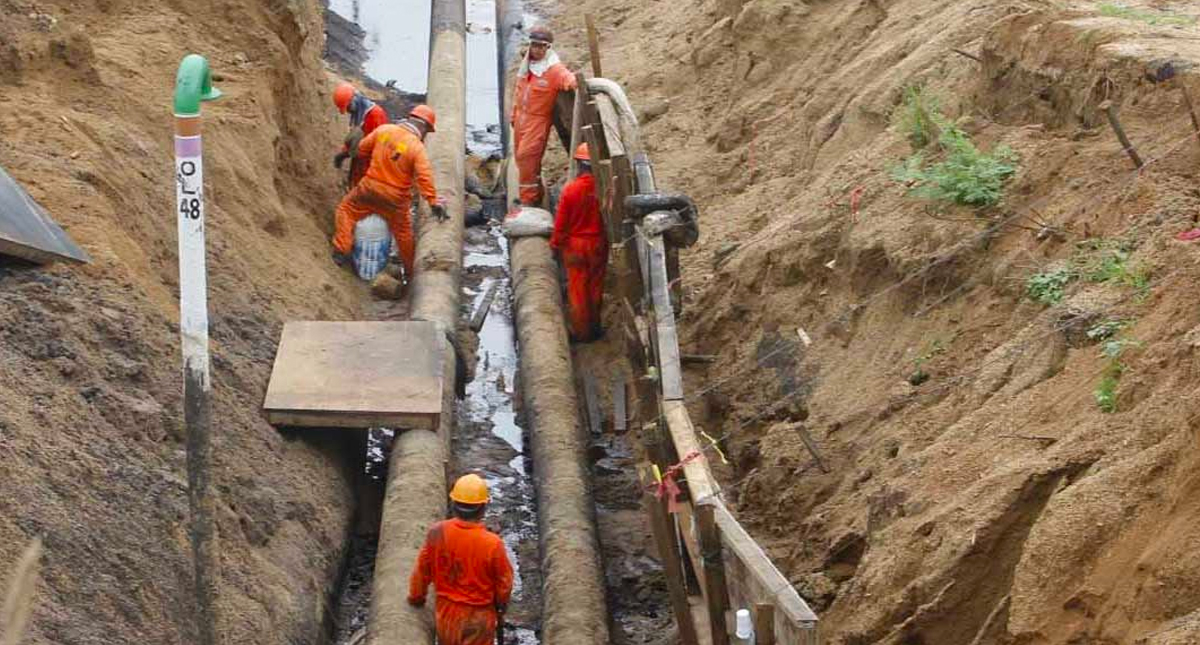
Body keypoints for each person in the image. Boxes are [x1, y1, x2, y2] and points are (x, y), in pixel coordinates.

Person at [331, 105, 446, 280]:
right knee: (404, 235)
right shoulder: (416, 148)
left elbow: (361, 150)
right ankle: (410, 274)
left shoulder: (384, 131)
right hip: (395, 200)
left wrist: (346, 152)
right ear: (424, 128)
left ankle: (341, 250)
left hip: (368, 189)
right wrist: (433, 201)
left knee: (346, 210)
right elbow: (424, 177)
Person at [408, 474, 514, 645]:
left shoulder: (437, 532)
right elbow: (504, 582)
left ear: (454, 505)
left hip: (447, 615)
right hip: (480, 617)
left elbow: (422, 570)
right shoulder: (492, 543)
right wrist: (501, 606)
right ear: (482, 508)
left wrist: (416, 597)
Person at [511, 25, 577, 206]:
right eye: (535, 45)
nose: (538, 50)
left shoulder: (553, 69)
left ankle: (528, 201)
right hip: (521, 117)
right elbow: (519, 90)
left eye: (542, 46)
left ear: (548, 48)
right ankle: (536, 192)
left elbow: (569, 80)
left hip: (537, 120)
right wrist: (513, 114)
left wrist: (579, 82)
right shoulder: (527, 66)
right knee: (519, 157)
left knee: (527, 158)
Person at [550, 143, 607, 342]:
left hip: (575, 246)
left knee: (577, 290)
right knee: (595, 286)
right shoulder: (604, 188)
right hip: (598, 243)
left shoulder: (571, 190)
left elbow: (561, 223)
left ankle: (582, 333)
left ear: (579, 165)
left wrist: (556, 245)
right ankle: (595, 327)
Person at [332, 82, 390, 189]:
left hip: (371, 163)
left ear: (354, 100)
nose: (348, 111)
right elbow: (354, 138)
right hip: (361, 159)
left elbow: (380, 145)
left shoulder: (375, 115)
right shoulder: (359, 113)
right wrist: (344, 153)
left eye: (348, 107)